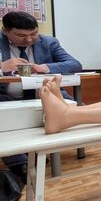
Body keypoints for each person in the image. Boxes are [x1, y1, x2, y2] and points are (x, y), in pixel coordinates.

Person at [1, 11, 81, 183]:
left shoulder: (48, 42)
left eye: (34, 34)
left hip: (43, 93)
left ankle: (40, 150)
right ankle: (20, 163)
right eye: (21, 35)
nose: (29, 39)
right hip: (6, 96)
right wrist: (2, 67)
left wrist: (44, 67)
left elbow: (75, 64)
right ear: (5, 31)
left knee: (74, 107)